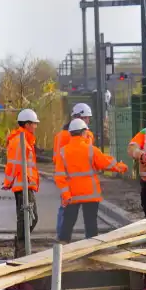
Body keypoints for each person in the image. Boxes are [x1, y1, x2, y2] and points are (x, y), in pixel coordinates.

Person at [55, 118, 127, 242]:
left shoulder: (63, 152)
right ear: (84, 133)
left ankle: (62, 249)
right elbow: (105, 163)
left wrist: (66, 194)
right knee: (91, 223)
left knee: (68, 223)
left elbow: (60, 176)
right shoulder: (90, 149)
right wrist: (120, 167)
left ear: (70, 133)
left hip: (72, 195)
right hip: (90, 194)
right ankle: (92, 248)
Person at [53, 102, 95, 238]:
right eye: (86, 117)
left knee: (67, 211)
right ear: (79, 117)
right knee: (69, 211)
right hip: (73, 180)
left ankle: (62, 240)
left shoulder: (87, 134)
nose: (88, 120)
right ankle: (62, 240)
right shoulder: (65, 136)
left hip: (76, 180)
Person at [3, 109, 41, 257]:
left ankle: (21, 248)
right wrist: (9, 182)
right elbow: (13, 164)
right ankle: (21, 249)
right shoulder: (20, 141)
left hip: (26, 185)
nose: (36, 127)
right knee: (29, 218)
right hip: (22, 186)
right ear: (27, 124)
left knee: (27, 218)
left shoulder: (24, 140)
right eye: (34, 124)